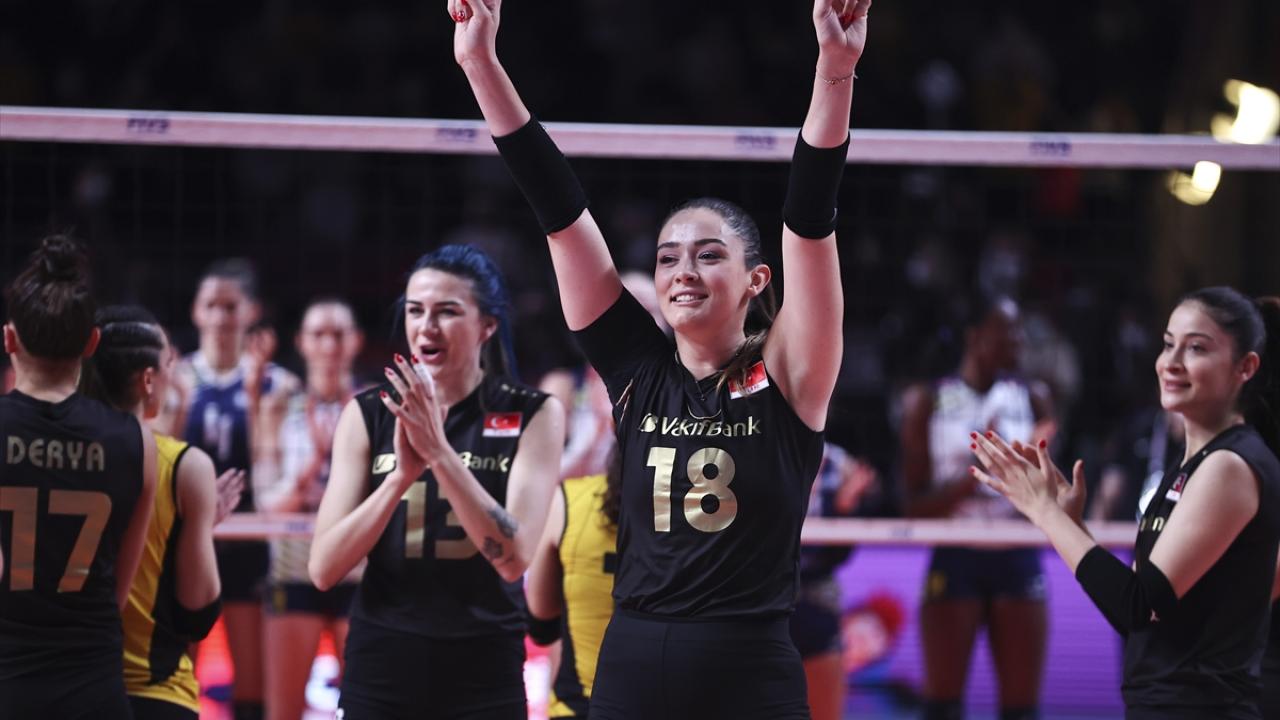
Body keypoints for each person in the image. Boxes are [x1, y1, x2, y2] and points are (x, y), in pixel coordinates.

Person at [453, 0, 866, 714]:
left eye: (709, 256)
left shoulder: (792, 371)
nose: (683, 272)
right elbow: (560, 213)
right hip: (635, 660)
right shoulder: (636, 371)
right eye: (669, 257)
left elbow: (809, 219)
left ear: (756, 281)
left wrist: (835, 69)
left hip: (749, 667)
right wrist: (480, 63)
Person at [972, 287, 1280, 719]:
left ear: (1245, 367)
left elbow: (1138, 605)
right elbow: (1139, 614)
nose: (1171, 362)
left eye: (1196, 348)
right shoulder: (1191, 462)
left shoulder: (1229, 465)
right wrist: (1070, 524)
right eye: (1168, 344)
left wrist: (1044, 513)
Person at [309, 244, 564, 719]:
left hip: (484, 666)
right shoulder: (368, 413)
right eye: (415, 310)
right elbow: (323, 569)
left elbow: (513, 559)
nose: (426, 326)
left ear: (487, 326)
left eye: (447, 311)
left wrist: (439, 453)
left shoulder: (533, 413)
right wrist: (398, 479)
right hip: (382, 662)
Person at [0, 236, 156, 719]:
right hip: (94, 687)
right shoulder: (136, 441)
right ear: (91, 342)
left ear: (9, 340)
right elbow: (119, 591)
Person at [79, 304, 245, 720]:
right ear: (148, 379)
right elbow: (197, 614)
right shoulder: (184, 467)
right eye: (170, 364)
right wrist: (197, 526)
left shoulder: (56, 453)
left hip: (67, 686)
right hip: (152, 692)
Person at [899, 294, 1055, 720]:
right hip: (955, 554)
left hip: (1017, 554)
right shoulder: (930, 400)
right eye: (1007, 329)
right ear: (975, 336)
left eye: (1020, 330)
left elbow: (1050, 500)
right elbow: (913, 507)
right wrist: (978, 472)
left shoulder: (1034, 398)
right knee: (942, 708)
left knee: (1022, 711)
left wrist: (1032, 475)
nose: (1018, 339)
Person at [168, 258, 299, 720]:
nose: (221, 317)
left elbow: (274, 472)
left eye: (231, 306)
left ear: (252, 311)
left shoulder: (278, 383)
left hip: (249, 540)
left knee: (251, 680)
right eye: (211, 305)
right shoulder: (175, 378)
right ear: (195, 311)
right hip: (187, 536)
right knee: (179, 671)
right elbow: (161, 461)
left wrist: (258, 401)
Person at [252, 299, 364, 720]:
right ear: (301, 342)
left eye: (338, 334)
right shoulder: (280, 405)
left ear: (356, 341)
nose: (329, 345)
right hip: (293, 568)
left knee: (366, 710)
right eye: (319, 334)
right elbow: (267, 502)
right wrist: (314, 464)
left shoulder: (373, 404)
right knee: (282, 712)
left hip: (358, 570)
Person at [525, 455, 622, 718]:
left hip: (581, 704)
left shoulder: (570, 500)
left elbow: (541, 622)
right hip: (678, 700)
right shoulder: (703, 513)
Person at [793, 442, 876, 720]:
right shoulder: (753, 447)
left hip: (815, 595)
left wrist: (844, 508)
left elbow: (840, 555)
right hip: (758, 597)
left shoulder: (838, 463)